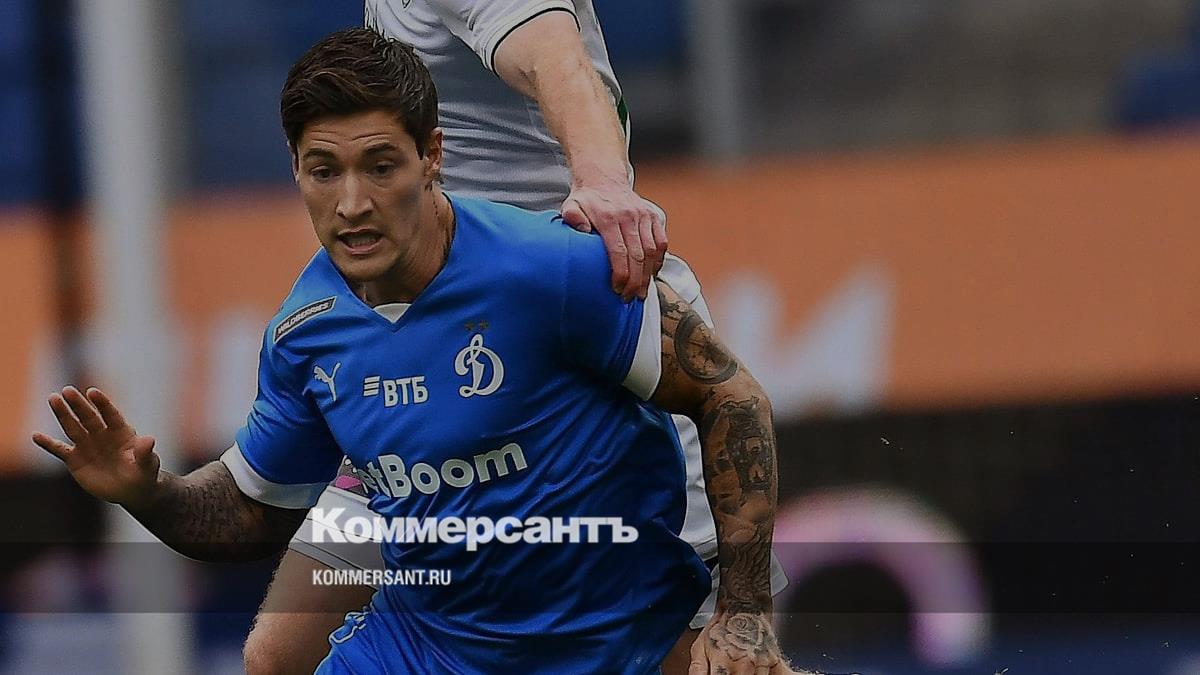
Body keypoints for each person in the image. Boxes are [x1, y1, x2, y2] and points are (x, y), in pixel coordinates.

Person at [34, 28, 792, 674]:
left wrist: (745, 615)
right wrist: (148, 492)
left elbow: (731, 397)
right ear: (295, 168)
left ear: (432, 156)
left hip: (615, 636)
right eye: (324, 171)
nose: (352, 204)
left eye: (380, 166)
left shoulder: (554, 271)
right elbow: (250, 511)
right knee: (269, 659)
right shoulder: (304, 333)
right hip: (429, 648)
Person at [246, 3, 790, 673]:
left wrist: (602, 184)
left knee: (698, 660)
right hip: (429, 397)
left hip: (569, 373)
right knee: (278, 655)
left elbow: (553, 56)